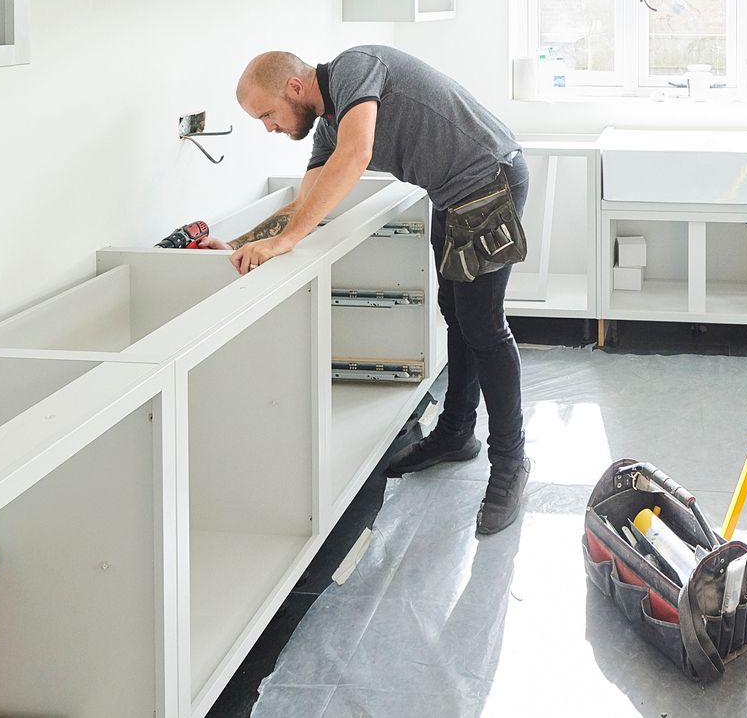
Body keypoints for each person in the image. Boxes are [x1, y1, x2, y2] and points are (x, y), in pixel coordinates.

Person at [209, 44, 532, 536]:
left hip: (491, 181)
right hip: (454, 194)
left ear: (295, 87)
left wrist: (290, 239)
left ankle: (511, 464)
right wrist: (237, 244)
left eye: (267, 115)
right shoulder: (330, 128)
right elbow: (306, 203)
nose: (269, 128)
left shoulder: (354, 68)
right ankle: (456, 432)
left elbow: (358, 155)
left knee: (484, 327)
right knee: (457, 315)